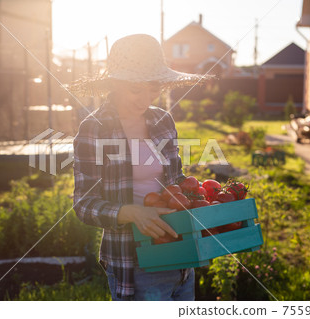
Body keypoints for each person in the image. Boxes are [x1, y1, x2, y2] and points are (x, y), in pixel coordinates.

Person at [71, 34, 207, 301]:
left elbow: (175, 182)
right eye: (136, 89)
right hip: (134, 263)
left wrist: (206, 202)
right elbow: (83, 204)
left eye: (154, 88)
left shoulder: (162, 120)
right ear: (116, 83)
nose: (145, 99)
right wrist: (133, 213)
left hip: (180, 258)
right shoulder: (94, 129)